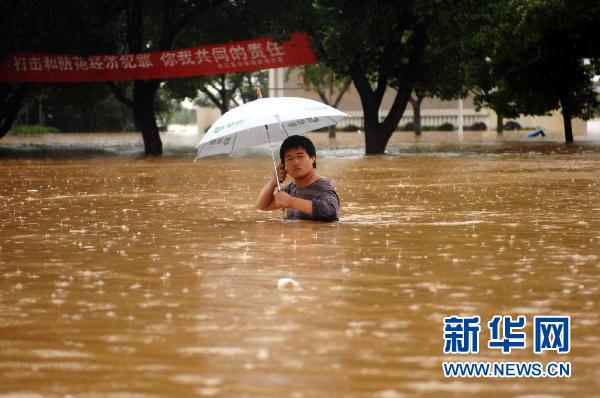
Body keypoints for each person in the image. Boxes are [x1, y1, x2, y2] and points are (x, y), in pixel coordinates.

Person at [256, 135, 340, 222]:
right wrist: (273, 182)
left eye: (300, 156)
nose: (295, 162)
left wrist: (291, 201)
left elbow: (331, 212)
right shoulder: (291, 188)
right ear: (284, 165)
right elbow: (263, 206)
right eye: (290, 158)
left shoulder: (323, 187)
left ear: (313, 158)